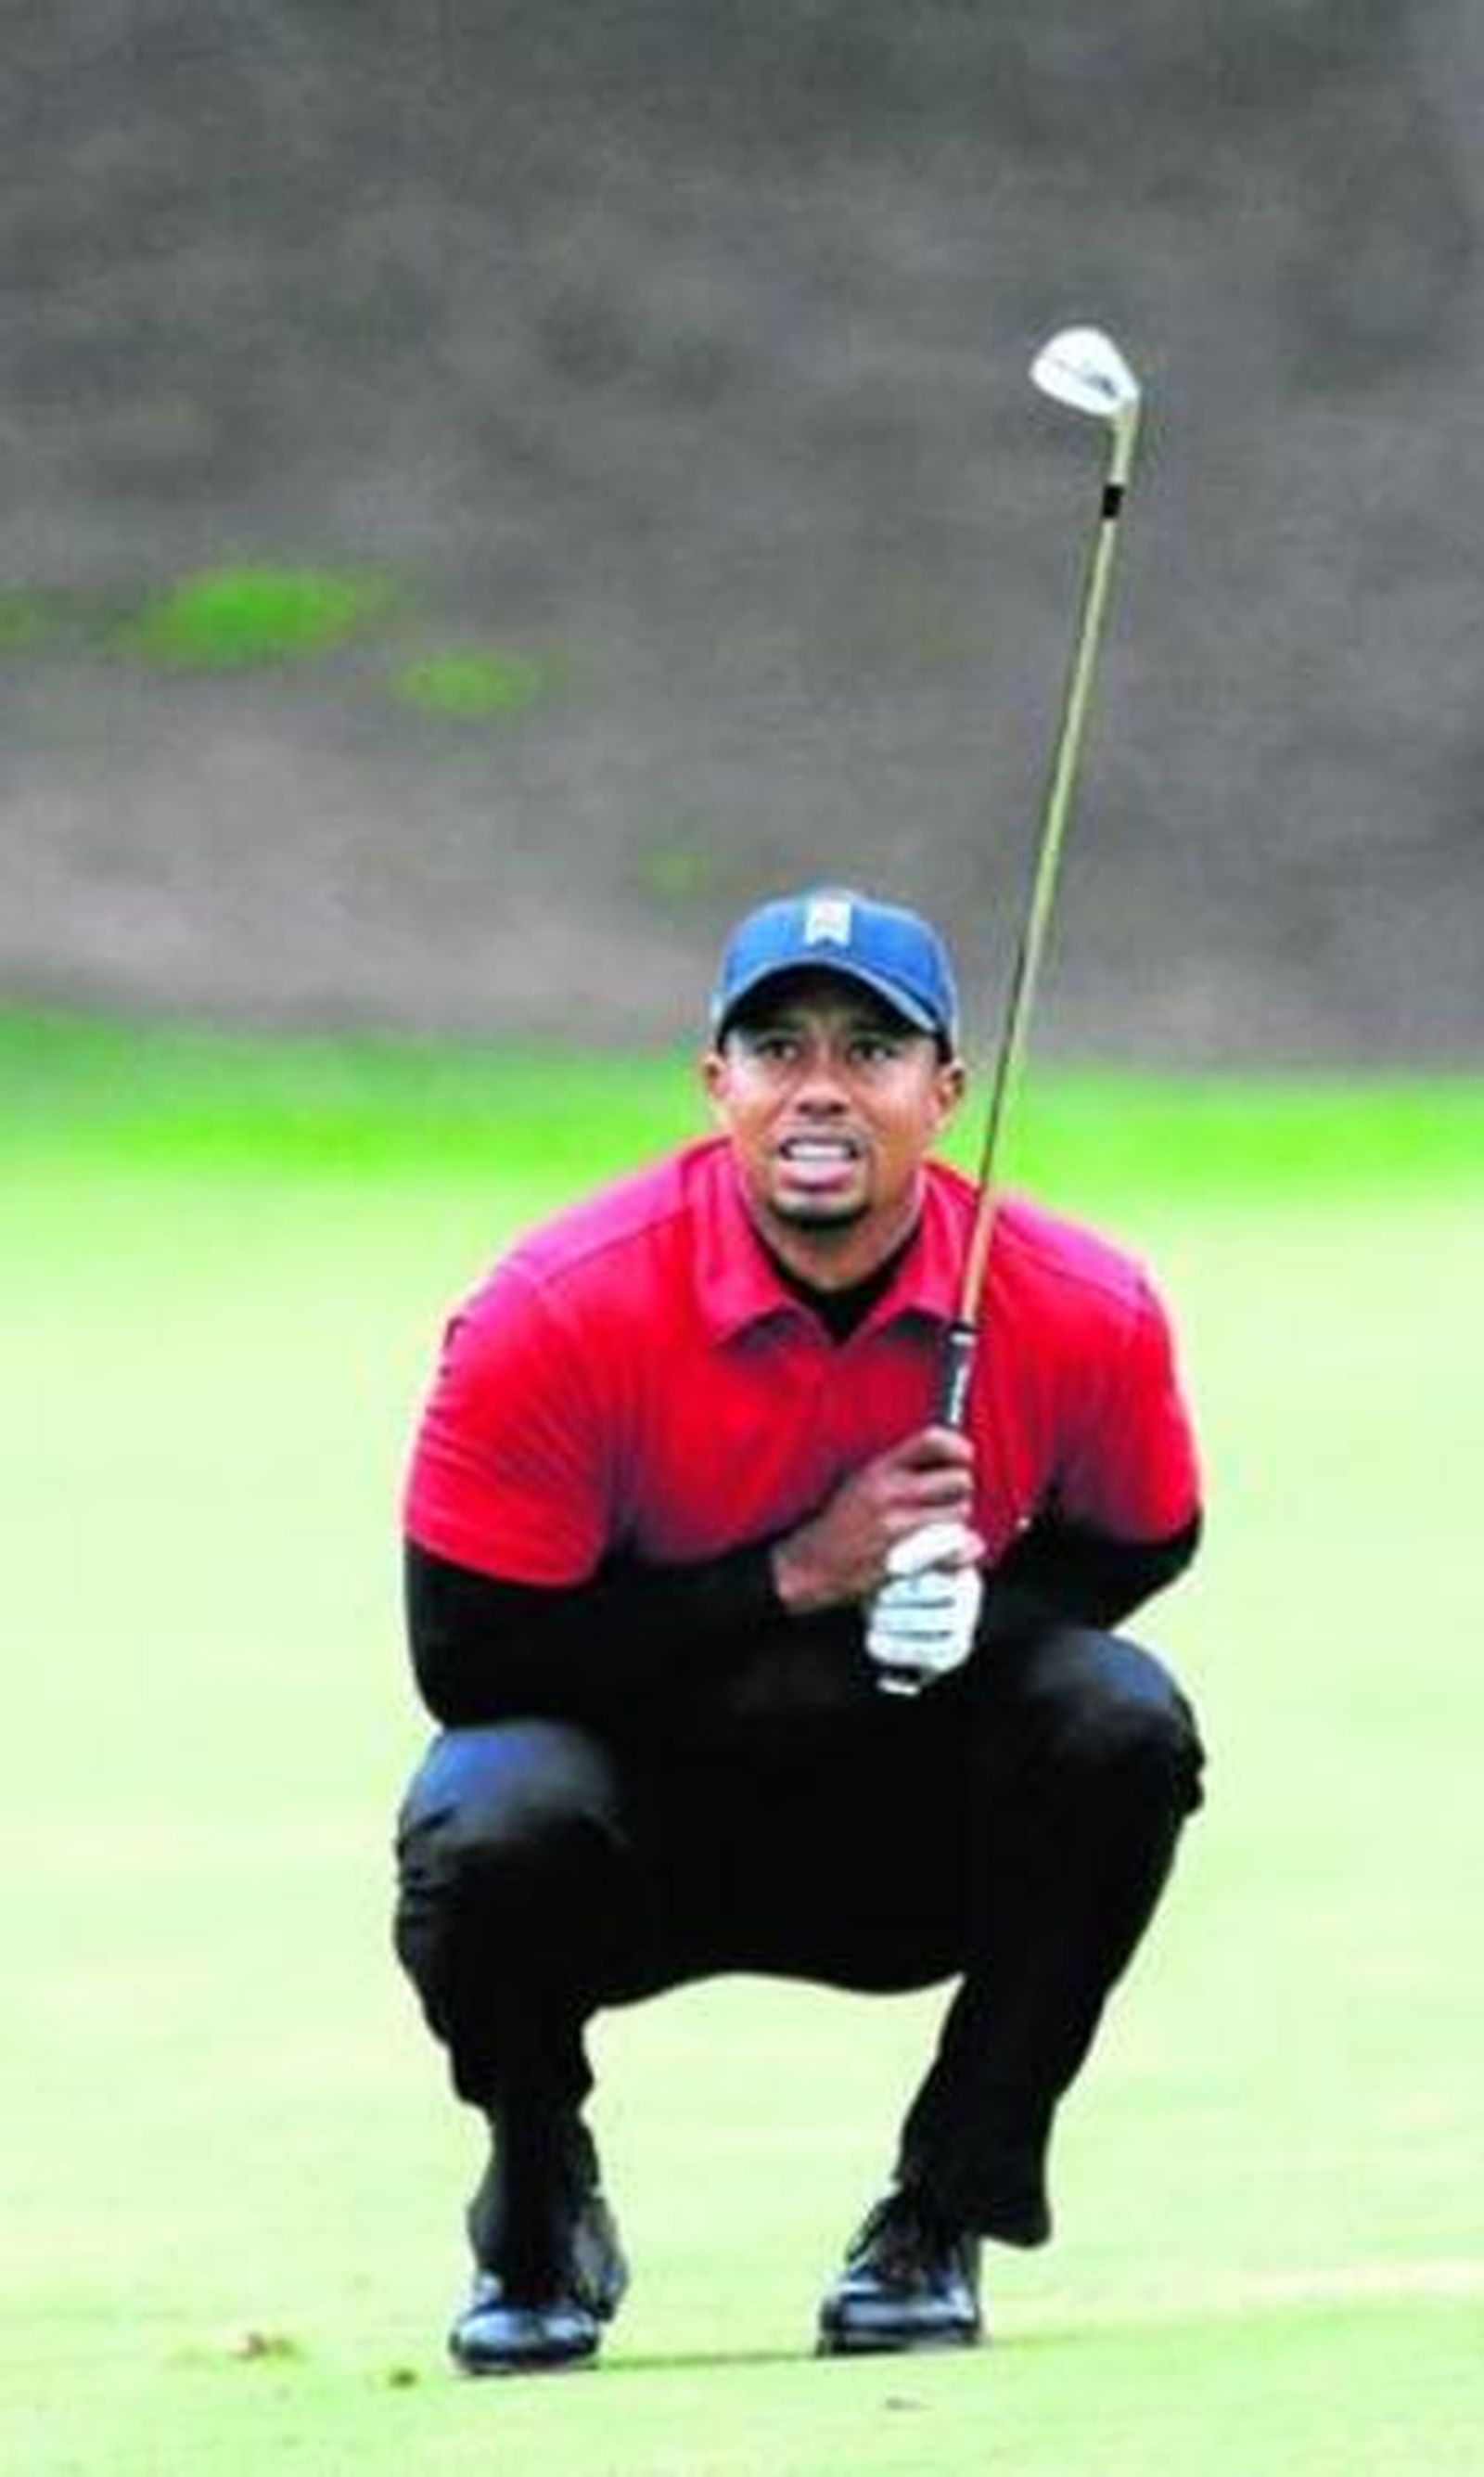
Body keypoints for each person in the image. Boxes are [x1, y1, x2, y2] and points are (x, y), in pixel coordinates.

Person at [393, 884, 1206, 2375]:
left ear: (945, 1092)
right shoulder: (556, 1308)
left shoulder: (1080, 1304)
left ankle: (940, 2210)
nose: (820, 1086)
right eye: (777, 1046)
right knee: (483, 1813)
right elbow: (472, 1657)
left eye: (871, 1049)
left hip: (908, 1838)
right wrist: (796, 1575)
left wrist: (988, 1618)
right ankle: (537, 2194)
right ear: (718, 1083)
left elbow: (1151, 1534)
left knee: (1119, 1718)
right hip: (636, 1832)